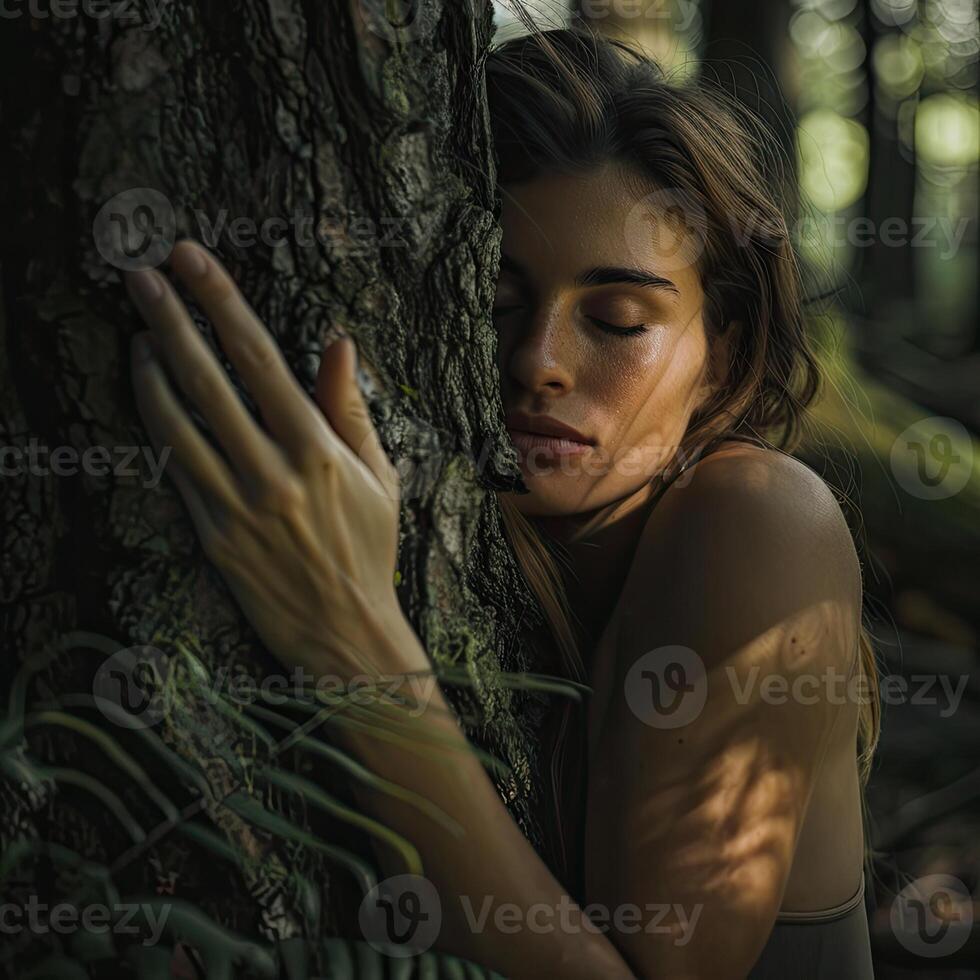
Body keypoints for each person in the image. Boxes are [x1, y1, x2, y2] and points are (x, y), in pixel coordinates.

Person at [123, 26, 879, 980]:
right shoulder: (506, 553)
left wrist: (349, 634)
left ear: (719, 357)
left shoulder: (763, 518)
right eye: (489, 299)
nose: (538, 363)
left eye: (617, 321)